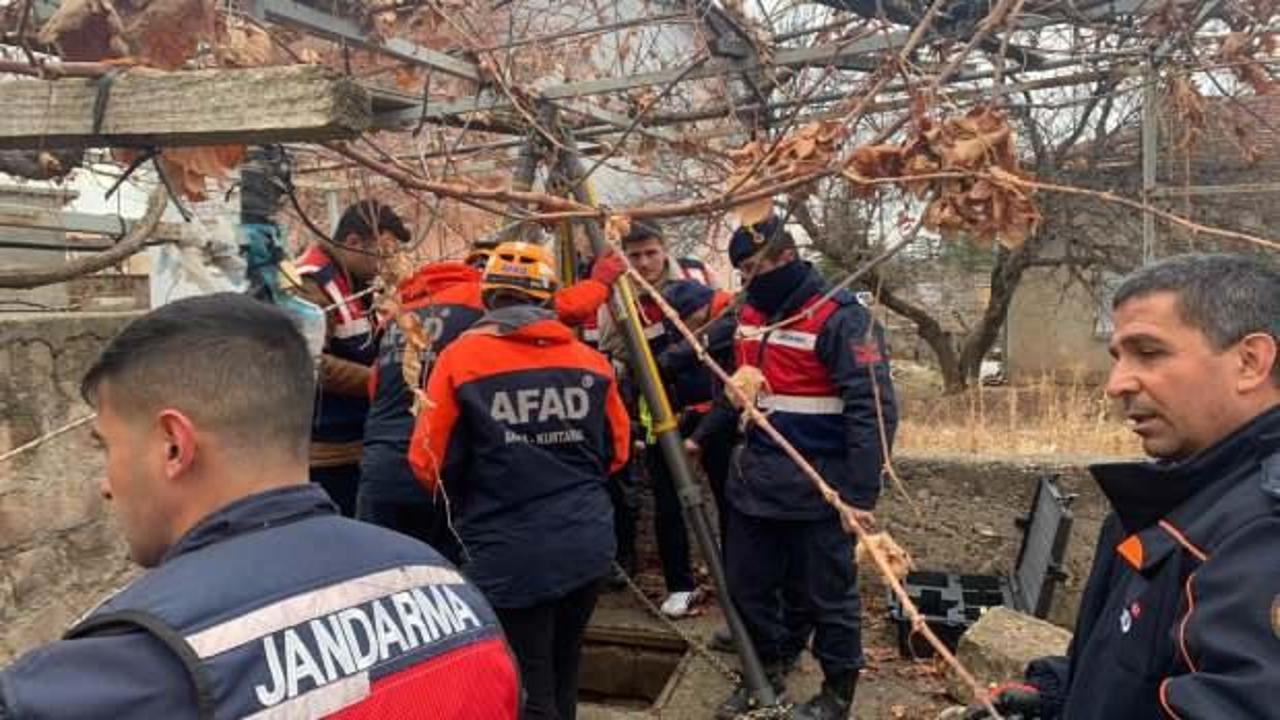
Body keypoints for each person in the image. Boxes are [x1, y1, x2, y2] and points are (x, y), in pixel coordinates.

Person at [0, 293, 519, 719]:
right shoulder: (448, 590)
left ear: (173, 445)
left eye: (105, 446)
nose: (106, 486)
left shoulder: (127, 670)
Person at [965, 253, 1280, 720]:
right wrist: (1051, 695)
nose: (1117, 384)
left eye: (1149, 352)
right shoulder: (1177, 497)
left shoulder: (1262, 533)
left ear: (1250, 362)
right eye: (1117, 357)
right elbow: (1127, 667)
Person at [409, 242, 630, 720]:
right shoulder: (590, 362)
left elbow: (427, 460)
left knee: (526, 685)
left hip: (507, 547)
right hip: (587, 542)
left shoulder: (460, 358)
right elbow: (618, 451)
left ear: (488, 298)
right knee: (564, 667)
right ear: (549, 297)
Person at [690, 215, 897, 720]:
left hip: (820, 487)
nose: (746, 280)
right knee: (747, 586)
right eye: (739, 270)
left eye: (752, 268)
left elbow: (873, 409)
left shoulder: (843, 317)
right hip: (756, 481)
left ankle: (837, 693)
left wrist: (859, 498)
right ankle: (765, 669)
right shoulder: (753, 312)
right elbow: (741, 385)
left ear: (787, 258)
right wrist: (701, 437)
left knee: (828, 598)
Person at [358, 241, 623, 561]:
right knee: (452, 580)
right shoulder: (473, 298)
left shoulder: (398, 314)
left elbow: (375, 384)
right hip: (442, 467)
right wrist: (599, 283)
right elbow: (558, 309)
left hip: (381, 467)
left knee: (388, 575)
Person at [597, 220, 733, 618]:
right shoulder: (619, 299)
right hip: (659, 413)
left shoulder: (694, 281)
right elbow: (616, 352)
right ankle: (680, 585)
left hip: (710, 409)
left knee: (727, 498)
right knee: (668, 504)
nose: (645, 262)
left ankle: (735, 578)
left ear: (664, 249)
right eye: (635, 255)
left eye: (651, 253)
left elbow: (732, 317)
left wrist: (686, 348)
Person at [294, 200, 410, 517]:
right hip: (325, 453)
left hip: (357, 441)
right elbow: (308, 364)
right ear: (354, 242)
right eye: (382, 252)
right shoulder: (309, 284)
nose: (386, 262)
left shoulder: (356, 283)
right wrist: (379, 380)